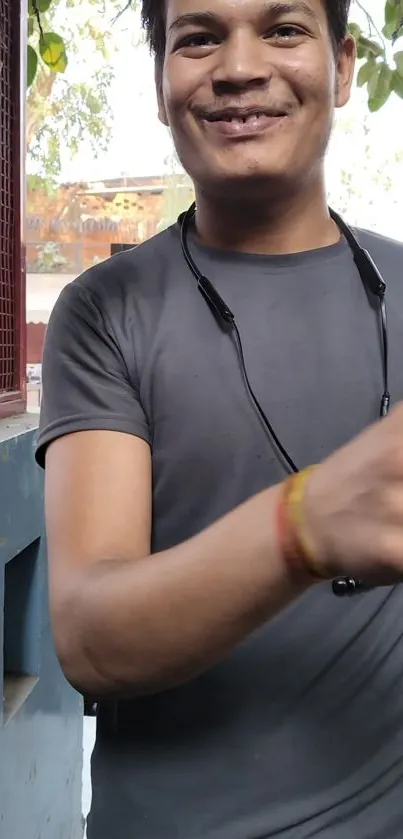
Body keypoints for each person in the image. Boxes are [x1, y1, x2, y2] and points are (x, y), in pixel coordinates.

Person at [36, 0, 403, 837]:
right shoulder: (104, 311)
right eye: (197, 37)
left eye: (282, 29)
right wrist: (299, 527)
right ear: (160, 84)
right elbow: (90, 638)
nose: (238, 66)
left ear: (342, 67)